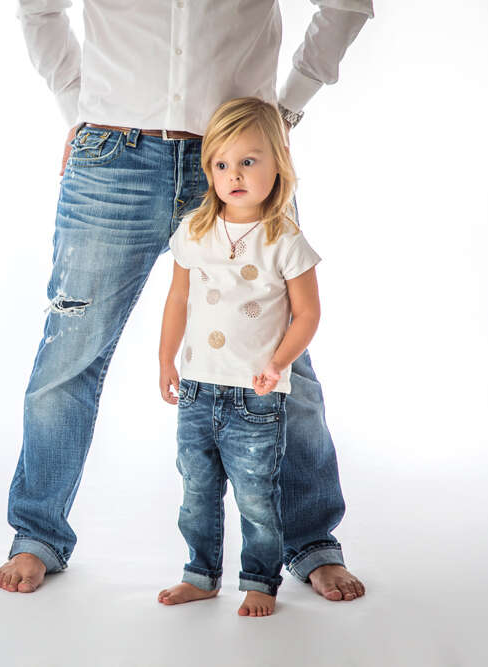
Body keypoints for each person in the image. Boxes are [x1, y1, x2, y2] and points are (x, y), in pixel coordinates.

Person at [0, 0, 373, 600]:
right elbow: (38, 9)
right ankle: (37, 533)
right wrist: (80, 105)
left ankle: (312, 541)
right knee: (69, 354)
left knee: (283, 362)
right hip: (111, 157)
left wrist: (285, 109)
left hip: (235, 164)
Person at [157, 98, 321, 617]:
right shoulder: (195, 230)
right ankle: (201, 574)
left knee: (256, 497)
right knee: (196, 492)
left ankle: (259, 580)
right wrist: (166, 362)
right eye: (222, 164)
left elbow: (308, 315)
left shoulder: (285, 240)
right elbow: (177, 299)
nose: (234, 175)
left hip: (256, 394)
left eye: (249, 161)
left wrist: (278, 363)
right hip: (198, 389)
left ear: (279, 164)